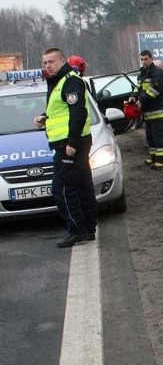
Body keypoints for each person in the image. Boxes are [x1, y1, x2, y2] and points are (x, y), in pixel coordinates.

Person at [34, 48, 97, 248]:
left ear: (62, 61)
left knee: (62, 189)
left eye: (51, 62)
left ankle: (76, 229)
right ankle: (87, 229)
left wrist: (72, 143)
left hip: (70, 145)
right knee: (83, 187)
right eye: (45, 63)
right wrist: (45, 117)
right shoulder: (58, 82)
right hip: (67, 143)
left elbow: (78, 114)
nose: (47, 66)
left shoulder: (71, 81)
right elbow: (62, 109)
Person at [128, 50, 163, 169]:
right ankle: (154, 158)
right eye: (141, 59)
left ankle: (162, 160)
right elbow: (138, 88)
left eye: (146, 59)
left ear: (151, 58)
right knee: (150, 137)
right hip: (147, 112)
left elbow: (154, 90)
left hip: (157, 111)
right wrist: (132, 97)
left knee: (159, 137)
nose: (144, 62)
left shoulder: (157, 73)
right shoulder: (142, 73)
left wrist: (141, 100)